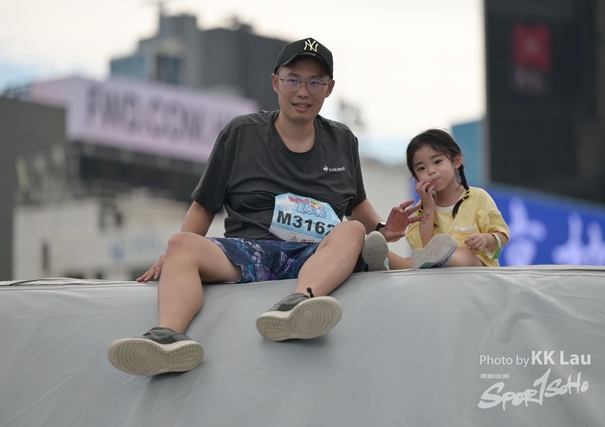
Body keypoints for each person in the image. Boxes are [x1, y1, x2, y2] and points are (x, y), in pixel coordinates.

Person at [107, 37, 448, 377]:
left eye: (315, 83)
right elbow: (204, 206)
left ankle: (299, 304)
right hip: (250, 250)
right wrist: (176, 258)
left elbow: (356, 204)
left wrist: (383, 229)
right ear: (275, 82)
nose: (303, 92)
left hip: (318, 254)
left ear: (329, 89)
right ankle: (168, 338)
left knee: (354, 231)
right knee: (180, 243)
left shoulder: (343, 140)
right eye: (293, 80)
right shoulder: (241, 133)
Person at [363, 128, 509, 270]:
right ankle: (382, 257)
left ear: (456, 161)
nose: (431, 171)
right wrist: (429, 208)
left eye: (437, 161)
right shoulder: (423, 207)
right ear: (416, 177)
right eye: (421, 168)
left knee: (465, 254)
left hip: (476, 269)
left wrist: (486, 239)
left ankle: (444, 260)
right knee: (410, 262)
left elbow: (503, 236)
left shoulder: (478, 197)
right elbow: (426, 249)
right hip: (436, 271)